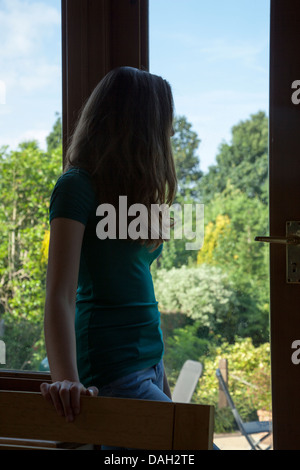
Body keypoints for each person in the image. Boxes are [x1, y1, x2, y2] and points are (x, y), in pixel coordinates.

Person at [40, 67, 177, 426]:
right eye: (164, 126)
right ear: (141, 128)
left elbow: (136, 283)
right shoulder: (76, 186)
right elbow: (60, 294)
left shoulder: (131, 195)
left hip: (149, 360)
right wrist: (66, 379)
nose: (170, 135)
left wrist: (160, 369)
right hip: (113, 366)